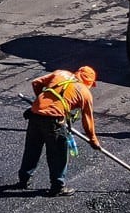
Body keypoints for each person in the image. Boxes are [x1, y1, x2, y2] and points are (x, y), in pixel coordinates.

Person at [18, 66, 101, 197]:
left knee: (32, 148)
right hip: (53, 121)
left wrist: (39, 102)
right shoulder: (85, 92)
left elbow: (36, 83)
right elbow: (87, 119)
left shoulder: (60, 73)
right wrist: (93, 140)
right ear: (89, 82)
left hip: (35, 114)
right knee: (58, 153)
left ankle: (24, 179)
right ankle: (57, 187)